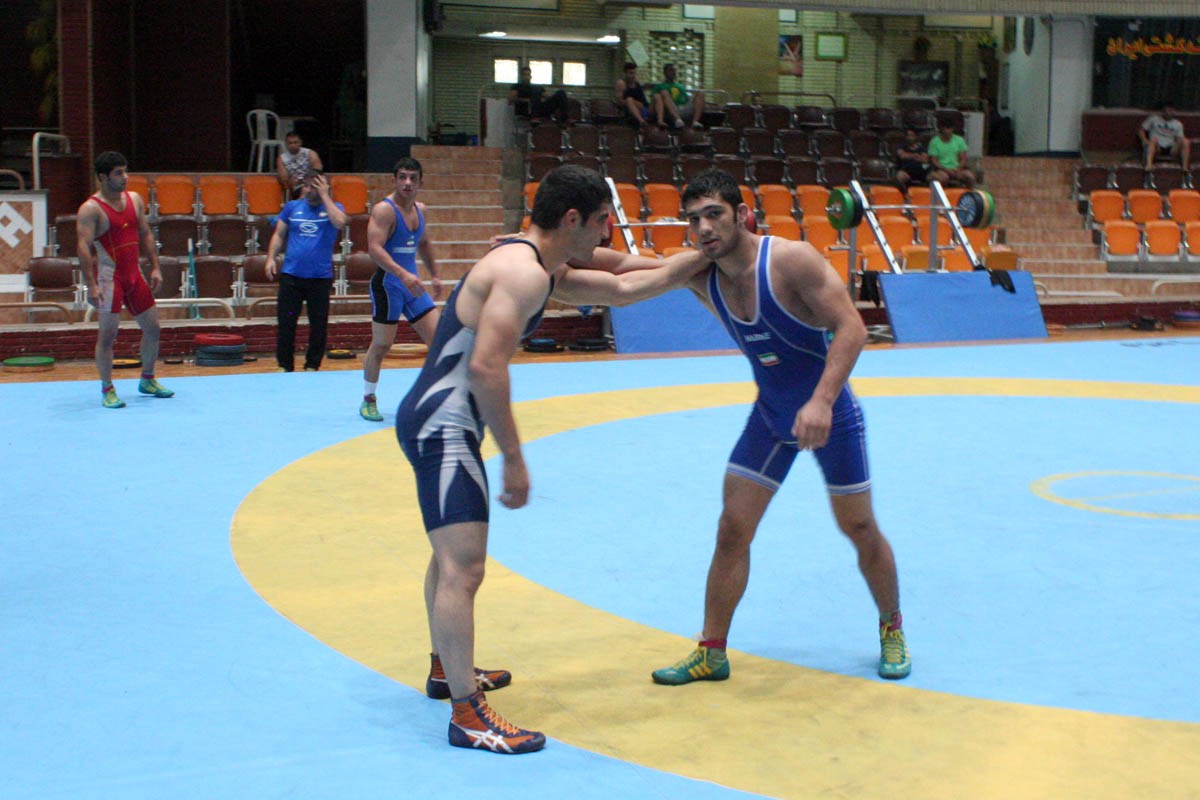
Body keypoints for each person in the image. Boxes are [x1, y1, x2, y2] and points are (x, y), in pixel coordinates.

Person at [395, 164, 710, 754]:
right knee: (464, 568)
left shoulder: (535, 262)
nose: (606, 233)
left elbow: (620, 282)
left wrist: (697, 264)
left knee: (449, 556)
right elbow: (486, 366)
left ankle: (446, 668)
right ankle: (467, 715)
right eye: (601, 222)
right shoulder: (523, 273)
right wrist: (514, 458)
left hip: (441, 421)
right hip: (444, 426)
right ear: (572, 219)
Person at [646, 168, 912, 687]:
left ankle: (892, 626)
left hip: (831, 416)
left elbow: (852, 328)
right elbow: (622, 272)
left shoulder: (790, 259)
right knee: (732, 529)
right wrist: (543, 256)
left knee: (859, 528)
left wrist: (821, 401)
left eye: (714, 214)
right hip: (771, 418)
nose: (703, 228)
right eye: (694, 219)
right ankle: (712, 651)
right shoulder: (703, 273)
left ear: (743, 215)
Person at [75, 151, 174, 409]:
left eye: (125, 171)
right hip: (110, 278)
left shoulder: (135, 199)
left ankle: (148, 379)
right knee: (108, 336)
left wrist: (155, 267)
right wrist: (91, 285)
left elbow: (145, 233)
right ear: (102, 177)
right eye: (118, 173)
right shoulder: (90, 209)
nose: (125, 177)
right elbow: (83, 247)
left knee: (153, 328)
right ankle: (107, 388)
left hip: (134, 275)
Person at [359, 157, 443, 422]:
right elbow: (374, 249)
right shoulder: (384, 210)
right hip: (389, 285)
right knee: (382, 345)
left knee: (440, 342)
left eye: (413, 178)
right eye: (402, 177)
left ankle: (432, 397)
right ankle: (368, 399)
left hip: (411, 286)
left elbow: (424, 243)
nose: (407, 183)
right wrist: (403, 274)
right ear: (394, 180)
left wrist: (435, 274)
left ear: (420, 182)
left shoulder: (421, 210)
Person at [263, 170, 347, 372]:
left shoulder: (335, 208)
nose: (309, 190)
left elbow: (340, 222)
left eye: (315, 186)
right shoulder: (292, 207)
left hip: (319, 279)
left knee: (318, 325)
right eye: (307, 185)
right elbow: (279, 234)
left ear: (324, 187)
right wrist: (271, 258)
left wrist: (325, 195)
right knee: (286, 323)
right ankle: (285, 365)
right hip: (292, 277)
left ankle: (312, 365)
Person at [653, 63, 706, 130]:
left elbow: (686, 98)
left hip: (684, 108)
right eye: (671, 70)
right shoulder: (659, 86)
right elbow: (656, 100)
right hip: (670, 110)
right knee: (664, 92)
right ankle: (677, 120)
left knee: (700, 93)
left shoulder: (680, 86)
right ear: (665, 72)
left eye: (674, 70)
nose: (673, 72)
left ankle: (695, 122)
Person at [1140, 103, 1191, 171]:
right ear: (1163, 111)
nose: (1168, 113)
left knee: (1186, 141)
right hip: (1157, 146)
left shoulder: (1178, 124)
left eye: (1171, 111)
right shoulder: (1153, 119)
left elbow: (1180, 138)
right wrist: (1144, 140)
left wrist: (1180, 142)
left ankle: (1185, 168)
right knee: (1153, 140)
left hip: (1171, 147)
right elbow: (1141, 130)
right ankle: (1149, 165)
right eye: (1167, 110)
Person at [926, 122, 976, 188]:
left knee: (970, 177)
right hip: (941, 170)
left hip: (957, 169)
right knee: (944, 178)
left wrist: (958, 169)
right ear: (941, 129)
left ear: (952, 129)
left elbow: (963, 159)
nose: (947, 131)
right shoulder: (934, 141)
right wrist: (946, 170)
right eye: (945, 129)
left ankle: (969, 193)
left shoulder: (959, 140)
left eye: (949, 128)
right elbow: (934, 161)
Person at [276, 132, 324, 199]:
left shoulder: (310, 153)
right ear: (286, 144)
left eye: (295, 142)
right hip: (296, 187)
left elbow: (318, 171)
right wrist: (290, 181)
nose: (293, 145)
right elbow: (284, 179)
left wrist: (304, 180)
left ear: (300, 142)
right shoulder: (281, 158)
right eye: (290, 143)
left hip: (312, 183)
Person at [614, 61, 652, 128]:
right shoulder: (621, 83)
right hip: (631, 109)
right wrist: (633, 102)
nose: (633, 76)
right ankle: (642, 122)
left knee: (657, 96)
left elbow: (643, 100)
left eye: (634, 73)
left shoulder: (636, 82)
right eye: (630, 73)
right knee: (629, 99)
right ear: (625, 73)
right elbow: (619, 102)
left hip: (644, 108)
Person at [894, 127, 931, 192]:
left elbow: (925, 160)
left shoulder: (922, 148)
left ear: (916, 137)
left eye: (912, 136)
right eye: (908, 135)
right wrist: (916, 156)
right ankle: (905, 195)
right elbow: (902, 156)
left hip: (921, 173)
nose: (909, 138)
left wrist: (909, 156)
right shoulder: (901, 147)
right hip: (906, 172)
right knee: (899, 176)